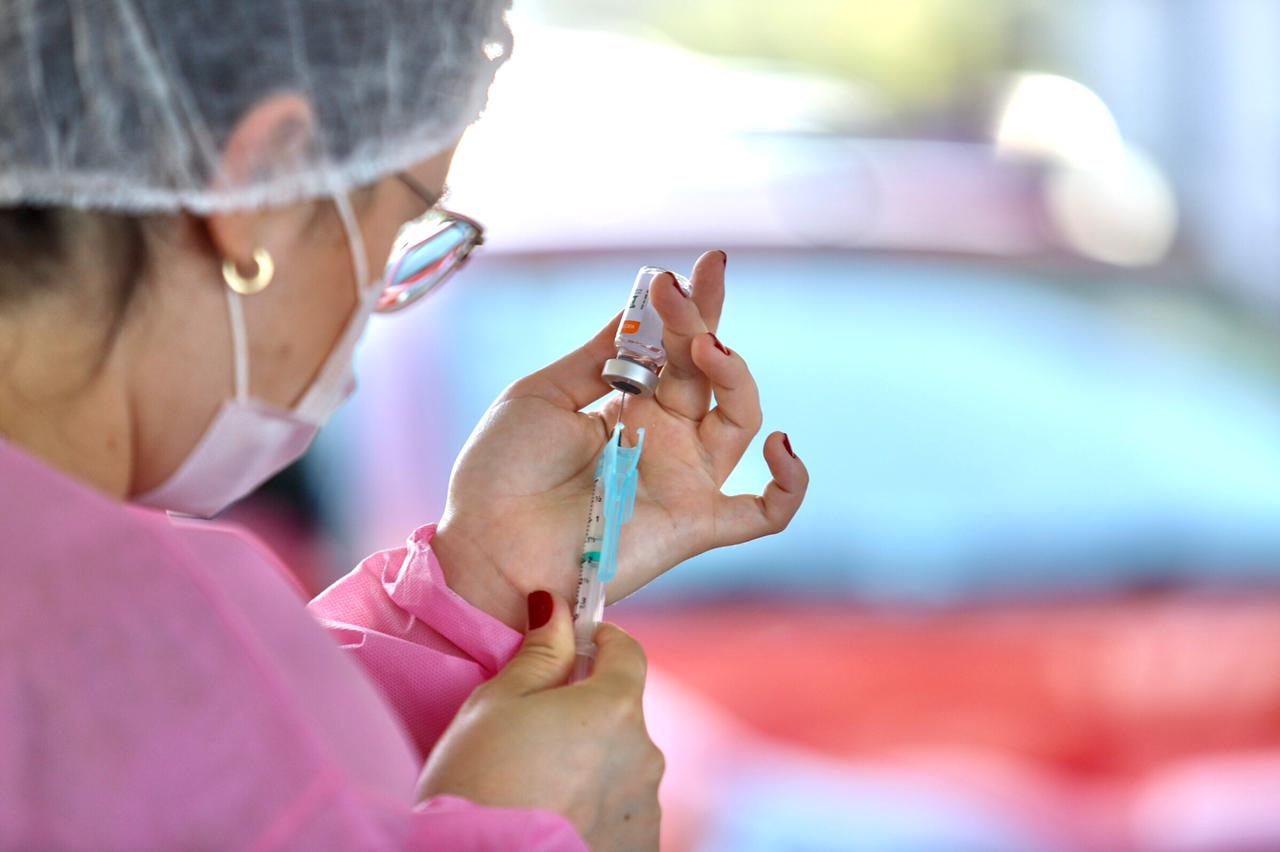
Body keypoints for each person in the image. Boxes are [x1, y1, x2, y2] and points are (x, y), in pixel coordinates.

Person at [0, 1, 809, 849]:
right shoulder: (125, 629)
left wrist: (474, 592)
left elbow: (245, 793)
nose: (372, 311)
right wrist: (531, 833)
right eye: (398, 229)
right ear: (256, 190)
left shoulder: (130, 637)